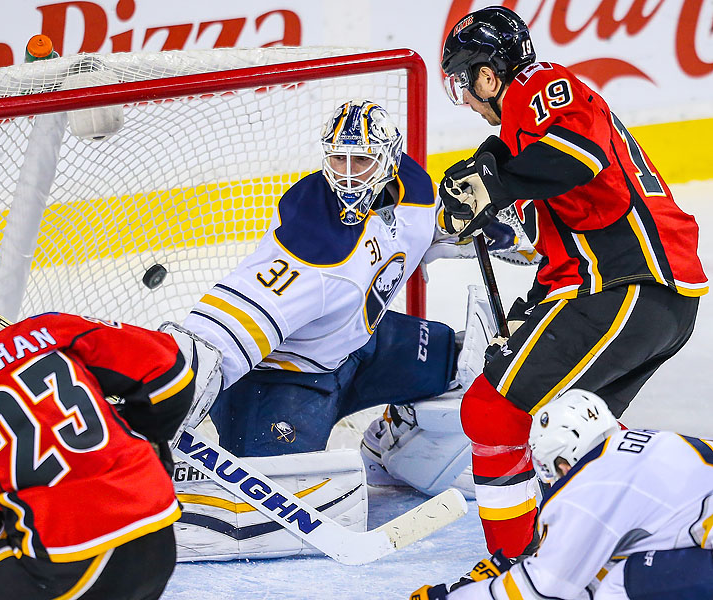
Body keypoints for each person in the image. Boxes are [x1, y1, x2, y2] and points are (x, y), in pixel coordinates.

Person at [437, 5, 707, 560]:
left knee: (492, 411)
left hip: (630, 286)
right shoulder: (521, 144)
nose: (466, 99)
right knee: (570, 433)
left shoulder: (539, 86)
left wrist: (496, 183)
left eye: (465, 83)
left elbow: (579, 156)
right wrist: (531, 309)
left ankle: (513, 569)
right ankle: (642, 538)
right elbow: (568, 249)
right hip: (641, 297)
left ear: (488, 76)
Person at [179, 99, 529, 497]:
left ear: (389, 160)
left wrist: (473, 229)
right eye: (338, 160)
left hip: (358, 345)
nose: (347, 176)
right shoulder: (313, 242)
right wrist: (164, 400)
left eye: (361, 160)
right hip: (283, 380)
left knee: (467, 364)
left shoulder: (412, 186)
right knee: (272, 491)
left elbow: (422, 228)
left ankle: (391, 443)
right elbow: (220, 331)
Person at [0, 264, 195, 600]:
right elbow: (171, 373)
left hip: (67, 561)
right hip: (156, 530)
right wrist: (146, 438)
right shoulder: (49, 331)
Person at [409, 389, 713, 599]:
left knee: (617, 587)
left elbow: (544, 587)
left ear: (561, 460)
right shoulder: (649, 442)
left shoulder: (591, 483)